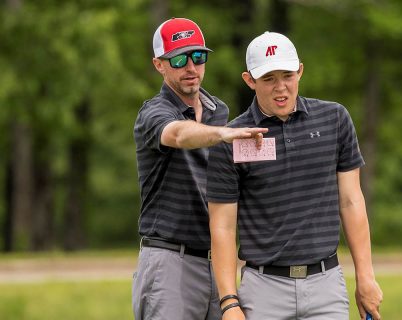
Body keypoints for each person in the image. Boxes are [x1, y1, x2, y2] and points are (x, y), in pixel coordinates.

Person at [207, 31, 383, 320]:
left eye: (287, 75)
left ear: (300, 71)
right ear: (249, 80)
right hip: (262, 289)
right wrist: (229, 301)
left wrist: (365, 276)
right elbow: (223, 227)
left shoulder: (335, 119)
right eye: (269, 79)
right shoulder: (233, 139)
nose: (281, 88)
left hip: (326, 285)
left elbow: (351, 201)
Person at [132, 18, 268, 320]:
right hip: (170, 261)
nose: (191, 67)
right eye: (179, 59)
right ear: (159, 64)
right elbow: (178, 134)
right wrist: (220, 133)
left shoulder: (219, 110)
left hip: (219, 261)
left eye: (198, 56)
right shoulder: (153, 113)